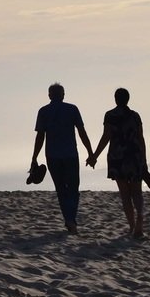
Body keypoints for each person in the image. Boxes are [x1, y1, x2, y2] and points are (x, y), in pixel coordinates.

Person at [31, 83, 94, 234]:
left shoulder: (44, 111)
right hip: (70, 155)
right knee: (73, 189)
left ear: (49, 95)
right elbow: (82, 132)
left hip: (52, 155)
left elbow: (40, 136)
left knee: (61, 190)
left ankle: (69, 220)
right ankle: (71, 220)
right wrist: (90, 152)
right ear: (63, 95)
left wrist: (34, 157)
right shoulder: (72, 109)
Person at [87, 87, 148, 239]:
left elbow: (106, 137)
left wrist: (94, 156)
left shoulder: (110, 115)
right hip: (134, 156)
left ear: (115, 99)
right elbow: (141, 138)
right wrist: (144, 159)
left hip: (117, 157)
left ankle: (132, 226)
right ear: (128, 99)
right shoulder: (135, 116)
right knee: (137, 192)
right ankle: (139, 216)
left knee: (125, 194)